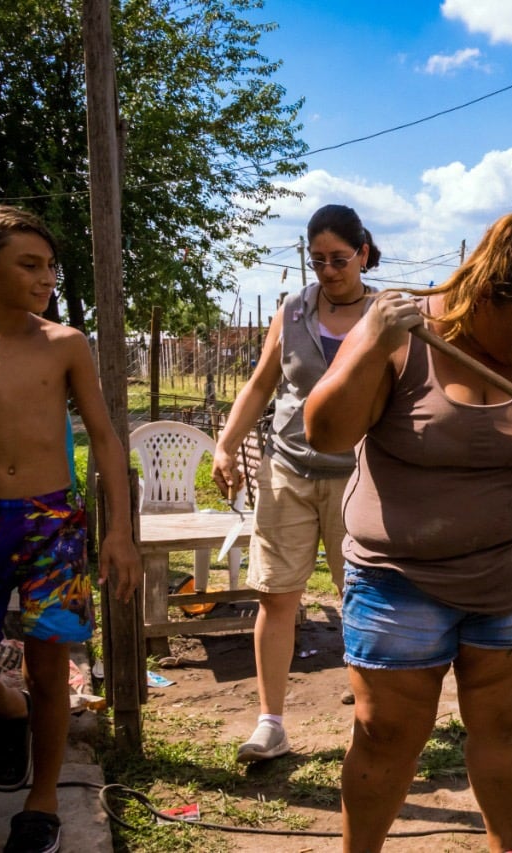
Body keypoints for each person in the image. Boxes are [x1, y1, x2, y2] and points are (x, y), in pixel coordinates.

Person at [302, 212, 512, 852]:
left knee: (506, 726)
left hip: (511, 581)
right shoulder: (403, 333)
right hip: (399, 581)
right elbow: (324, 433)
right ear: (487, 300)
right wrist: (372, 343)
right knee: (385, 734)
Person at [0, 205, 140, 853]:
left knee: (51, 666)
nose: (46, 277)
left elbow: (103, 435)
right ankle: (7, 712)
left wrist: (118, 531)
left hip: (52, 522)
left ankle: (40, 804)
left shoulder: (66, 342)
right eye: (30, 265)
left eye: (50, 265)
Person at [212, 204, 380, 763]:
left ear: (362, 253)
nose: (328, 271)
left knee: (359, 599)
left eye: (338, 259)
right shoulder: (294, 310)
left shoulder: (385, 314)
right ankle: (271, 724)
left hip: (360, 478)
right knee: (277, 596)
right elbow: (260, 386)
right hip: (287, 470)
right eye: (318, 261)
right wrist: (226, 444)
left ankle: (373, 721)